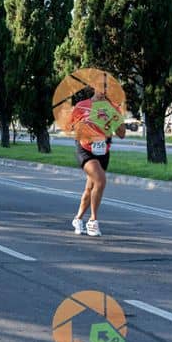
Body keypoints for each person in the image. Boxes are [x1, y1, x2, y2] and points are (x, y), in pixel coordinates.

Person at [70, 86, 126, 237]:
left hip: (103, 151)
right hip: (85, 149)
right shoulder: (82, 105)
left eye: (107, 88)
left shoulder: (113, 108)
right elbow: (73, 128)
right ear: (95, 87)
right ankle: (93, 221)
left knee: (90, 188)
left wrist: (114, 116)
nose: (105, 91)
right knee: (100, 181)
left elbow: (122, 134)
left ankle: (78, 218)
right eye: (102, 87)